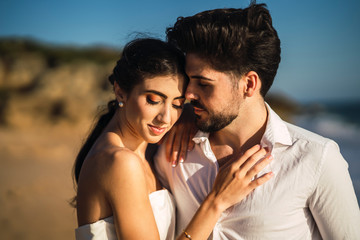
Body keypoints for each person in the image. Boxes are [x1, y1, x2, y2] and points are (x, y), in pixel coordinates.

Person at [154, 3, 360, 239]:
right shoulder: (172, 151)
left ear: (249, 84)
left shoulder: (316, 158)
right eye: (188, 81)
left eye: (203, 83)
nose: (188, 94)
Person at [72, 38, 274, 240]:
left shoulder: (144, 150)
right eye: (153, 100)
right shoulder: (121, 162)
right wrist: (216, 202)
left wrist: (188, 114)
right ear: (120, 92)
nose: (165, 118)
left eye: (177, 104)